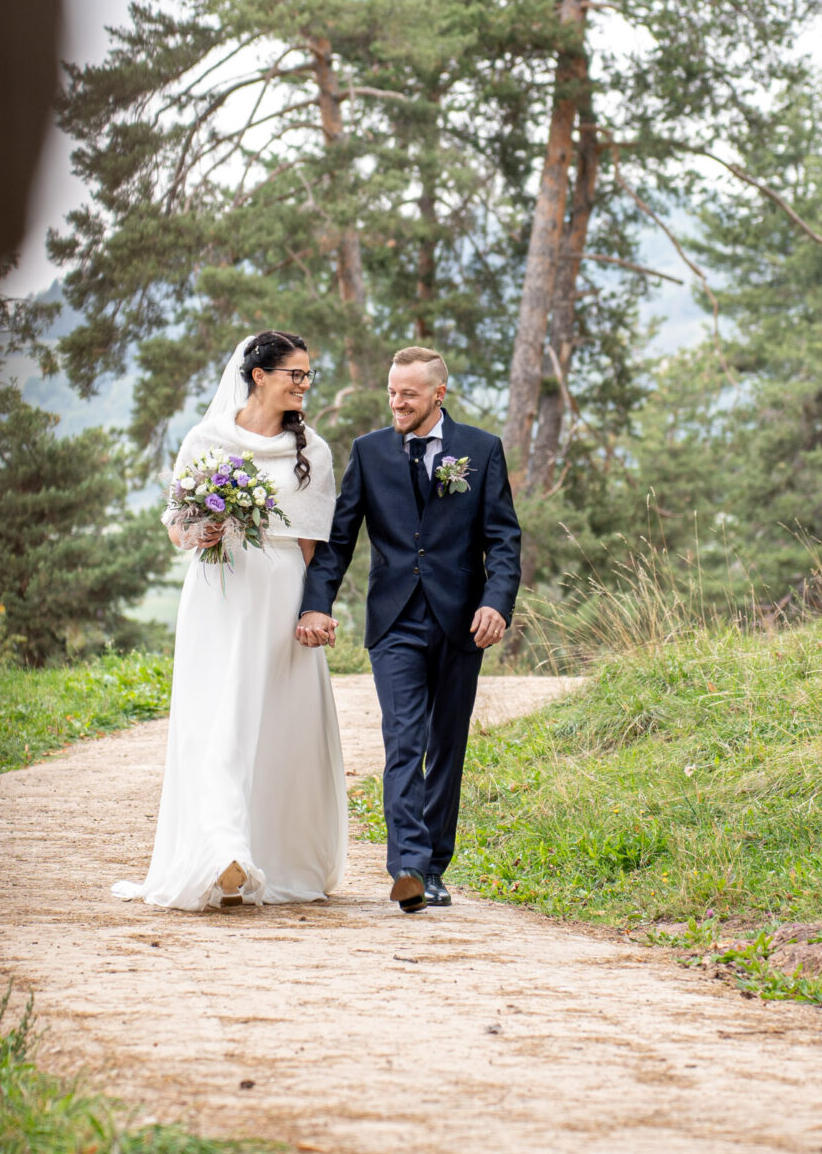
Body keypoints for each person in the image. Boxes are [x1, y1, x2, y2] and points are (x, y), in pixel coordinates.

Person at [115, 333, 347, 910]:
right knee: (217, 718)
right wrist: (202, 532)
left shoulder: (312, 451)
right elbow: (176, 525)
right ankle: (222, 852)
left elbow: (313, 546)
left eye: (308, 376)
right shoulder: (205, 439)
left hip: (279, 594)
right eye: (295, 374)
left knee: (276, 724)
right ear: (259, 375)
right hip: (218, 592)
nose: (303, 385)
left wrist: (305, 605)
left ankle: (274, 852)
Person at [297, 348, 521, 912]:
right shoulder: (368, 453)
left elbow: (504, 540)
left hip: (460, 622)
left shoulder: (481, 450)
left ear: (438, 395)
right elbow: (339, 539)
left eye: (409, 394)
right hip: (394, 619)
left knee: (447, 745)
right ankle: (409, 867)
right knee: (404, 740)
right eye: (392, 392)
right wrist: (315, 603)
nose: (397, 402)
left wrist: (496, 603)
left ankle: (435, 867)